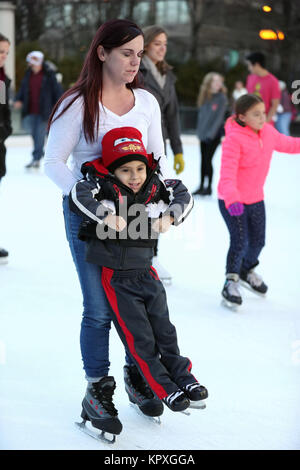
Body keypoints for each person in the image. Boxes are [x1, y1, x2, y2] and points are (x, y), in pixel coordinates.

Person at [44, 19, 176, 437]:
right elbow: (53, 164)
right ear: (102, 52)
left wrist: (160, 207)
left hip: (135, 219)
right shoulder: (76, 103)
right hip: (88, 221)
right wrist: (93, 204)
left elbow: (155, 163)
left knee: (136, 303)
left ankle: (138, 374)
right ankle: (96, 390)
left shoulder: (147, 103)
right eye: (127, 53)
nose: (136, 61)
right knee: (100, 309)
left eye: (140, 54)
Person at [69, 126, 208, 430]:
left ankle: (183, 376)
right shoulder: (101, 188)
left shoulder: (153, 185)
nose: (134, 176)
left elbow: (182, 192)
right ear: (111, 170)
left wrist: (170, 216)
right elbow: (77, 194)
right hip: (117, 278)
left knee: (165, 330)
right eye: (126, 170)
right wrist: (105, 215)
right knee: (140, 338)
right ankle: (163, 388)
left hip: (147, 272)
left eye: (139, 168)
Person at [217, 94, 300, 308]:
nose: (263, 117)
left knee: (258, 241)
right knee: (240, 241)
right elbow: (227, 174)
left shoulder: (268, 132)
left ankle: (246, 270)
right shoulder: (234, 139)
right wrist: (232, 199)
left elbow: (290, 144)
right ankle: (231, 280)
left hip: (255, 198)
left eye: (263, 113)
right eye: (256, 114)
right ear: (242, 117)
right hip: (231, 200)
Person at [140, 25, 184, 282]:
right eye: (157, 43)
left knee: (158, 201)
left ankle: (153, 257)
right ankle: (140, 256)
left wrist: (177, 150)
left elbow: (173, 114)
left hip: (161, 146)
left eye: (165, 44)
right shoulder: (138, 71)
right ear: (145, 45)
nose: (162, 48)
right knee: (140, 201)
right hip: (139, 146)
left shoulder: (167, 74)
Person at [14, 50, 62, 169]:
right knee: (34, 133)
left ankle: (36, 158)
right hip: (30, 110)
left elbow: (57, 91)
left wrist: (60, 107)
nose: (31, 64)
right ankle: (42, 154)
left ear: (39, 61)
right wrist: (18, 99)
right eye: (30, 61)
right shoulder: (28, 74)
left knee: (39, 134)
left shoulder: (49, 75)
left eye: (34, 61)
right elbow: (23, 89)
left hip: (44, 111)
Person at [194, 72, 228, 196]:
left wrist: (210, 134)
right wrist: (200, 133)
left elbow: (219, 119)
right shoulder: (204, 96)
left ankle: (209, 187)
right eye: (216, 81)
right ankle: (202, 185)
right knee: (203, 160)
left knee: (208, 160)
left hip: (214, 136)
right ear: (209, 83)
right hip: (203, 135)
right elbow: (201, 117)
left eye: (220, 81)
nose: (219, 83)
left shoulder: (221, 98)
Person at [0, 33, 12, 264]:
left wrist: (6, 128)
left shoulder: (2, 79)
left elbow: (2, 109)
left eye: (6, 52)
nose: (4, 57)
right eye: (0, 52)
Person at [246, 52, 280, 125]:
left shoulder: (273, 81)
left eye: (249, 65)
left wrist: (266, 122)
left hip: (265, 123)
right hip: (250, 121)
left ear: (257, 65)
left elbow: (275, 105)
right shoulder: (250, 78)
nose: (248, 68)